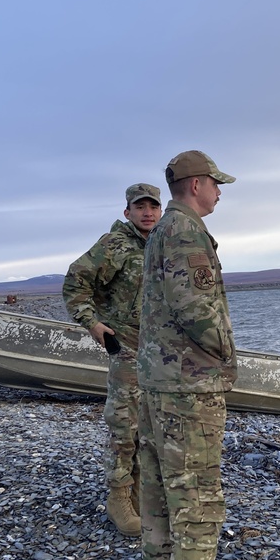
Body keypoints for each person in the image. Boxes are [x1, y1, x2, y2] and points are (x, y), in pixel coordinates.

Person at [136, 149, 246, 560]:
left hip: (161, 382)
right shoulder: (185, 230)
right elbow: (196, 309)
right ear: (197, 184)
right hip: (189, 386)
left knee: (160, 491)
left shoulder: (162, 230)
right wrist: (226, 357)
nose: (219, 192)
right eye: (216, 184)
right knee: (197, 495)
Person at [63, 182, 163, 537]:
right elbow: (75, 283)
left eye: (153, 206)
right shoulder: (113, 245)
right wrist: (91, 323)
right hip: (127, 347)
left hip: (161, 352)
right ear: (127, 212)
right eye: (140, 207)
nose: (147, 212)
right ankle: (118, 498)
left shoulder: (165, 244)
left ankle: (139, 493)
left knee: (151, 425)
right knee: (124, 424)